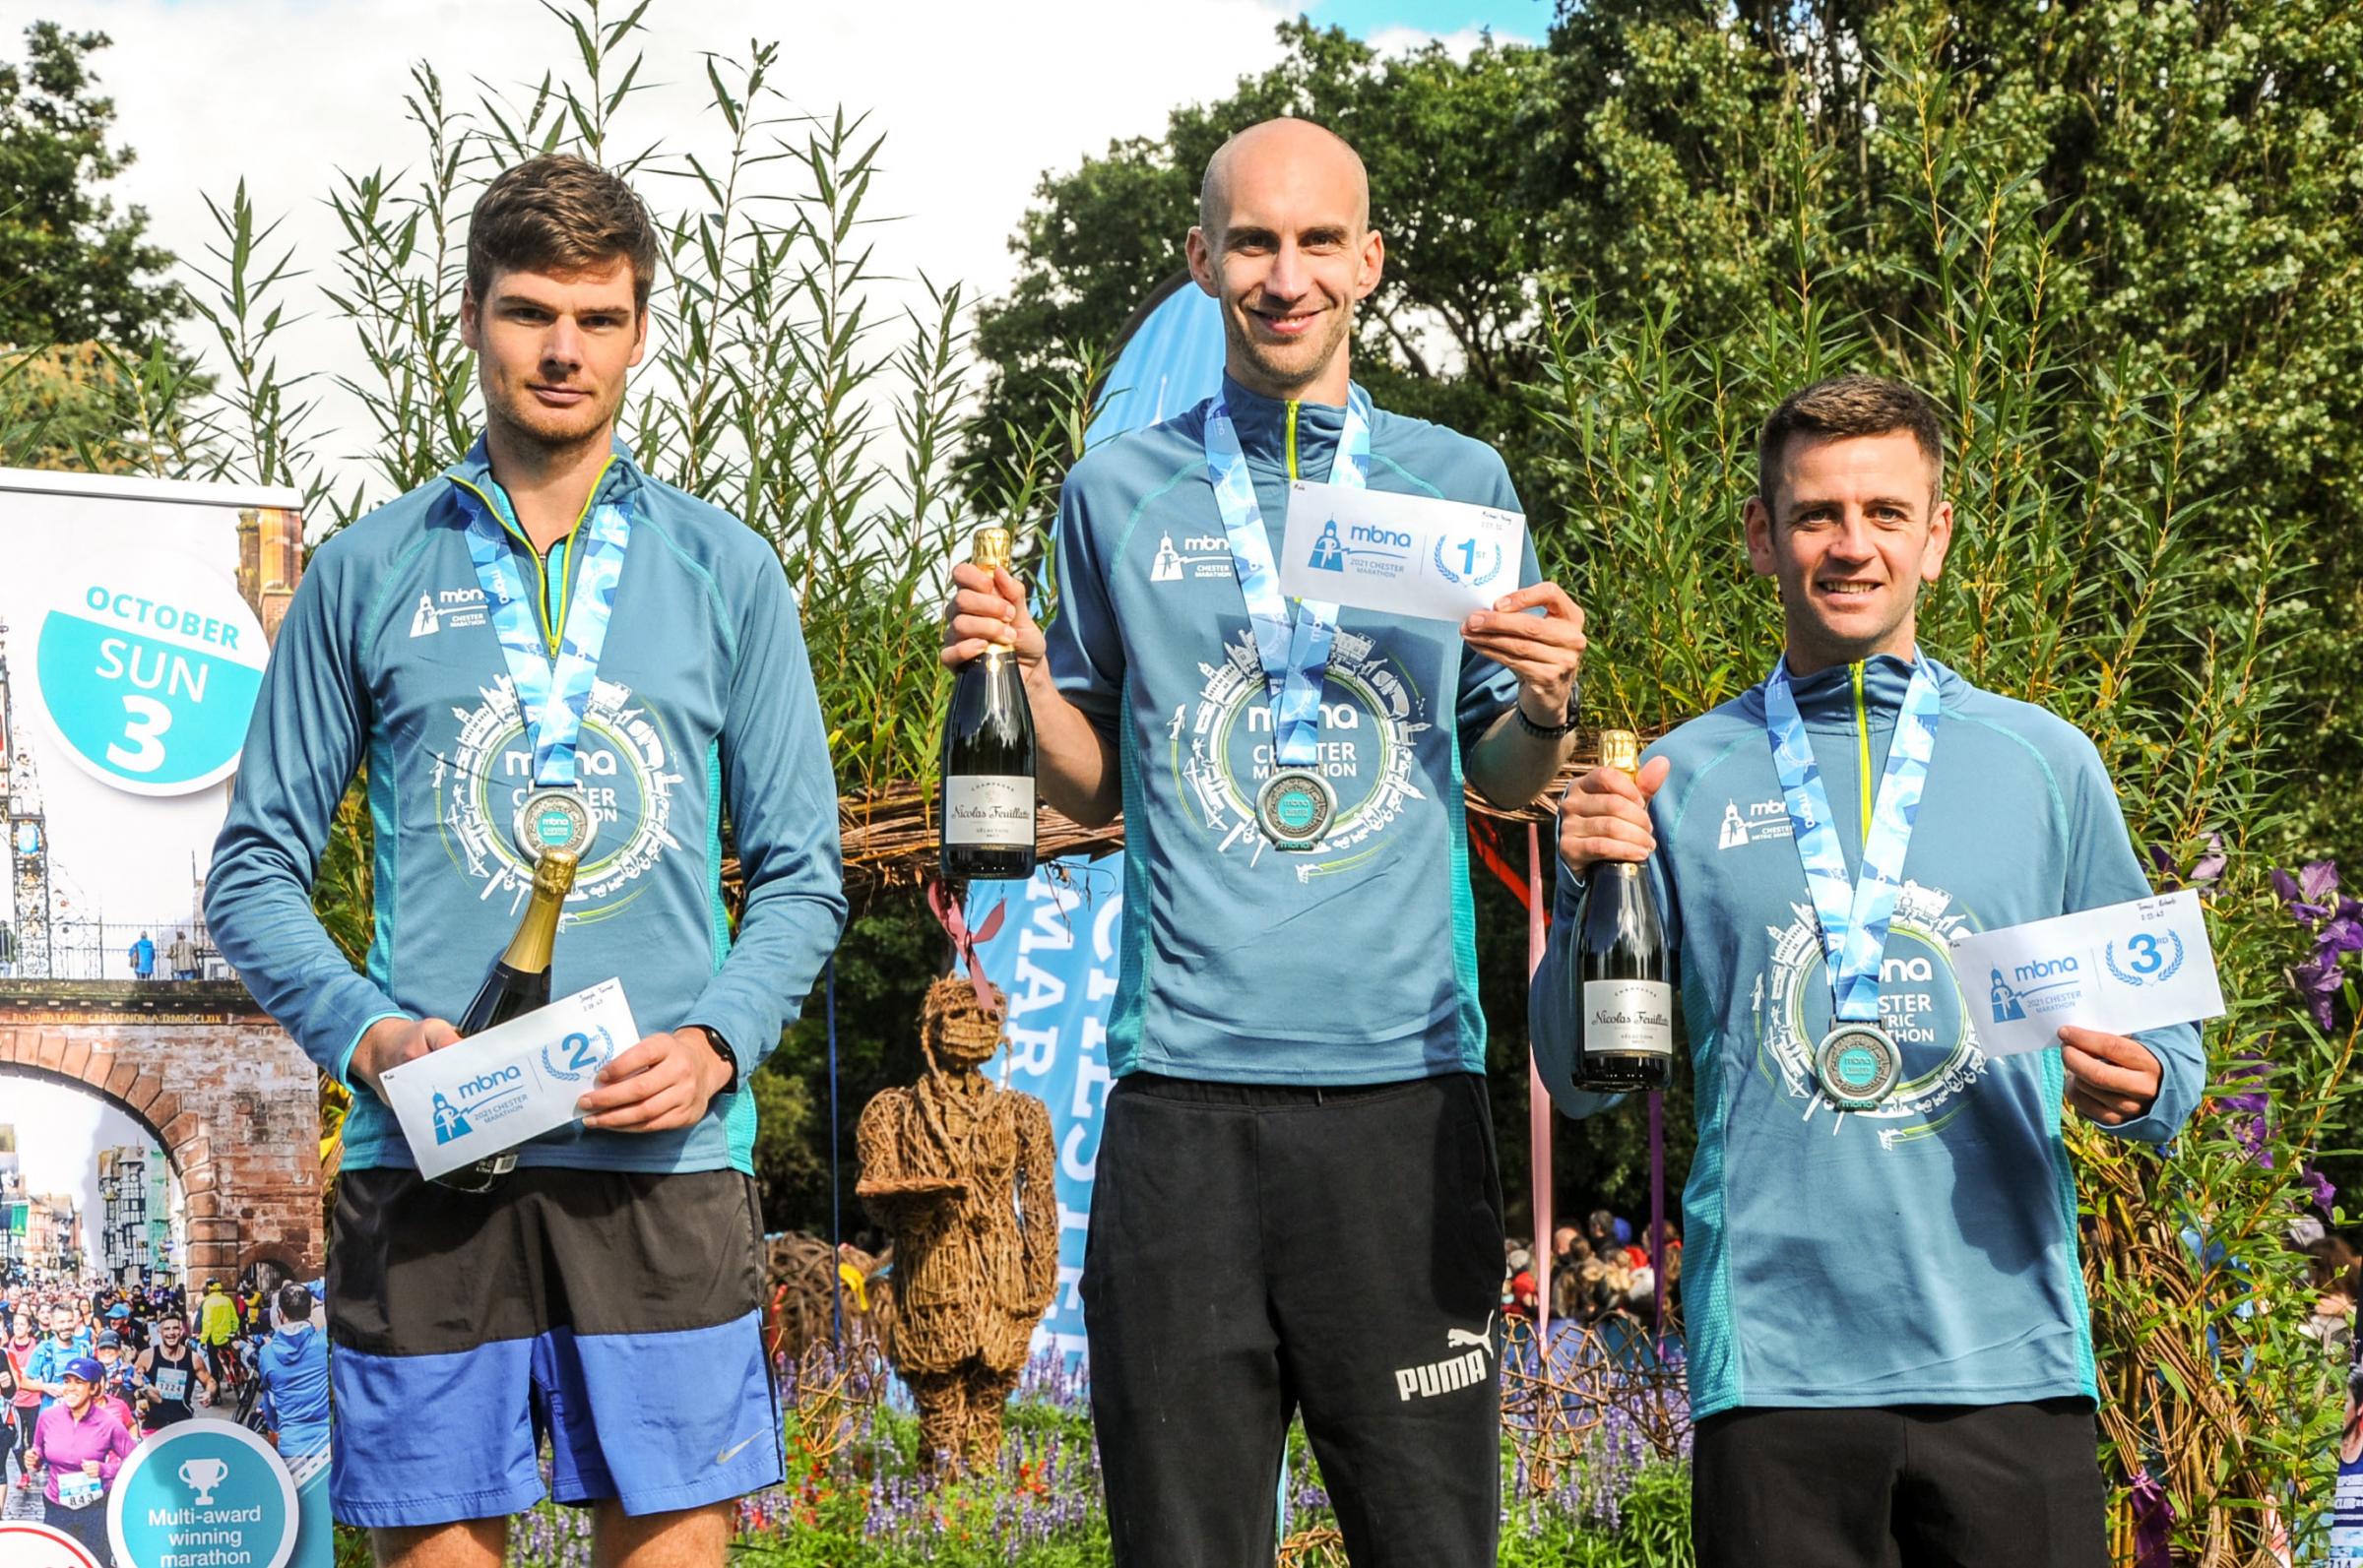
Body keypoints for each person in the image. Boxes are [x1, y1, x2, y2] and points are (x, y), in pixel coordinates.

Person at [938, 118, 1586, 1567]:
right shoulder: (1116, 490)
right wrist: (1032, 686)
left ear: (1367, 261)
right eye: (1250, 242)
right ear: (1201, 260)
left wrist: (1547, 700)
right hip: (1182, 1108)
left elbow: (1501, 765)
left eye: (1313, 243)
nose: (1282, 275)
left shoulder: (1458, 482)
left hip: (1401, 1100)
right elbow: (1099, 792)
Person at [205, 153, 846, 1568]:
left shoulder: (727, 571)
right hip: (428, 1159)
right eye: (529, 311)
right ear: (473, 318)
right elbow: (251, 870)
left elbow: (804, 871)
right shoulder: (368, 572)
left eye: (598, 317)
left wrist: (720, 1045)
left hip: (662, 1154)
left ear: (639, 328)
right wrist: (371, 1036)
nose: (563, 348)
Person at [1532, 374, 2204, 1567]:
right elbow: (1582, 1080)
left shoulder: (2047, 766)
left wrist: (2146, 1083)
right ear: (1761, 537)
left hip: (2011, 1362)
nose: (1852, 546)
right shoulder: (1677, 781)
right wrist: (1588, 888)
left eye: (1887, 513)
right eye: (1816, 515)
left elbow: (2179, 1066)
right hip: (1778, 1375)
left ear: (1936, 536)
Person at [26, 1357, 136, 1565]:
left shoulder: (109, 1423)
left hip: (94, 1509)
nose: (71, 1388)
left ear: (94, 1388)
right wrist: (34, 1458)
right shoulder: (48, 1418)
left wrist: (104, 1469)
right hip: (56, 1507)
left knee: (94, 1562)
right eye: (67, 1381)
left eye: (79, 1382)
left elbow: (135, 1462)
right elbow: (39, 1450)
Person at [255, 1283, 331, 1464]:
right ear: (310, 1310)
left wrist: (273, 1426)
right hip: (325, 1444)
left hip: (291, 1445)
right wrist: (310, 1288)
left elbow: (269, 1401)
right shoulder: (323, 1343)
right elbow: (340, 1296)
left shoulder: (267, 1353)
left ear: (280, 1314)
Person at [135, 1309, 212, 1431]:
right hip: (153, 1424)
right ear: (160, 1332)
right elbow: (134, 1381)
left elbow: (210, 1381)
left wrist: (209, 1393)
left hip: (182, 1422)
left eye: (175, 1328)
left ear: (181, 1331)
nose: (171, 1333)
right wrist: (139, 1403)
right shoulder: (147, 1356)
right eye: (167, 1329)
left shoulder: (193, 1358)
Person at [6, 1312, 39, 1486]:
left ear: (28, 1328)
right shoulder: (6, 1349)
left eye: (22, 1324)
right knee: (16, 1441)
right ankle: (24, 1474)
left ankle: (36, 1463)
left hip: (34, 1401)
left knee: (33, 1440)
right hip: (14, 1403)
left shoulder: (37, 1348)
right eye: (16, 1324)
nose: (18, 1327)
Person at [196, 1277, 239, 1387]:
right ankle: (236, 1380)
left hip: (213, 1338)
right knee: (230, 1359)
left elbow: (207, 1323)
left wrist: (203, 1339)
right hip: (227, 1336)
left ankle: (217, 1394)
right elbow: (235, 1319)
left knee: (213, 1365)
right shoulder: (227, 1300)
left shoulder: (207, 1302)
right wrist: (233, 1331)